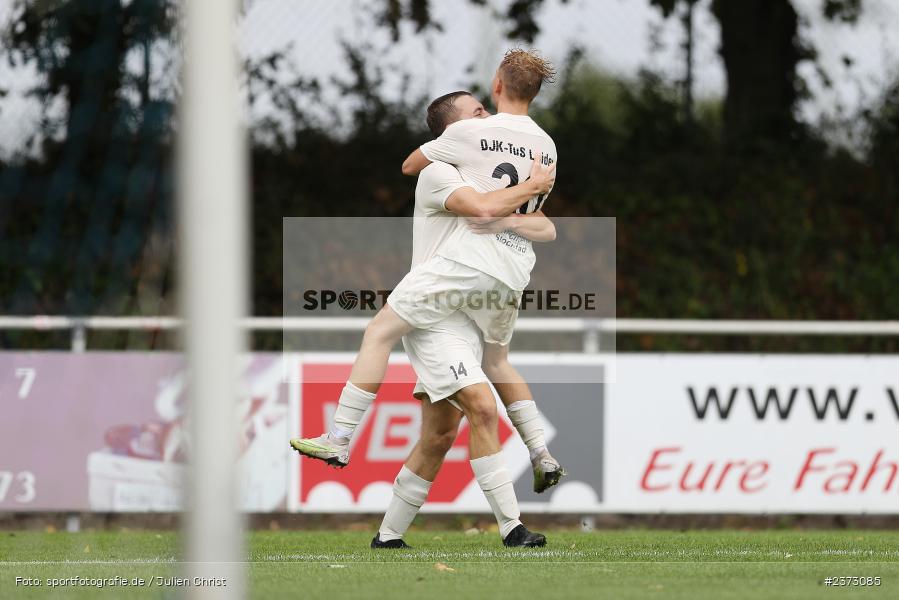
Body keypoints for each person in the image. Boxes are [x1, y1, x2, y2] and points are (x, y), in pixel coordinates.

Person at [291, 50, 558, 546]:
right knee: (476, 401)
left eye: (485, 107)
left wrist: (519, 203)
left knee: (438, 435)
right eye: (474, 114)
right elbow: (479, 207)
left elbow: (536, 223)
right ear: (448, 134)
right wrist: (531, 186)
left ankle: (388, 536)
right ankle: (513, 526)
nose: (484, 120)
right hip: (438, 301)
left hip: (460, 303)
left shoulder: (472, 157)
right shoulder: (442, 173)